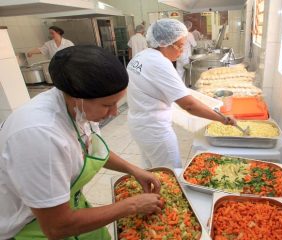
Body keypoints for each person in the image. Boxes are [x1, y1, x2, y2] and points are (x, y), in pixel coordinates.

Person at [0, 46, 162, 240]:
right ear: (78, 98)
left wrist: (133, 169)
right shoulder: (40, 136)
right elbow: (55, 227)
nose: (114, 113)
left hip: (70, 206)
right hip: (31, 229)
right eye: (107, 105)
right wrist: (132, 205)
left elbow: (89, 148)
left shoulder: (78, 109)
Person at [127, 19, 236, 169]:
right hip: (155, 129)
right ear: (165, 44)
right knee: (171, 173)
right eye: (180, 45)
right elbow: (189, 105)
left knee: (152, 169)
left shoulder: (141, 56)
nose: (182, 50)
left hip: (139, 124)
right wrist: (222, 119)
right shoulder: (160, 63)